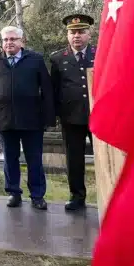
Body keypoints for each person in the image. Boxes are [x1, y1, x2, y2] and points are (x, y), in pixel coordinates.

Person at [0, 25, 55, 210]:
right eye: (6, 39)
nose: (9, 43)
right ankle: (13, 192)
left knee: (34, 159)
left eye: (13, 39)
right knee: (10, 158)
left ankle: (37, 196)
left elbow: (47, 90)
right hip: (5, 119)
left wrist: (49, 119)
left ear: (22, 41)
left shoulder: (35, 60)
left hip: (32, 119)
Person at [49, 14, 96, 212]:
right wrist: (56, 116)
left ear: (89, 34)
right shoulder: (58, 59)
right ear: (67, 35)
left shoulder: (101, 54)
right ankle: (77, 196)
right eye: (72, 32)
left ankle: (108, 195)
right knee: (74, 160)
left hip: (99, 117)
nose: (76, 36)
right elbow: (54, 89)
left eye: (81, 32)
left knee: (103, 160)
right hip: (71, 118)